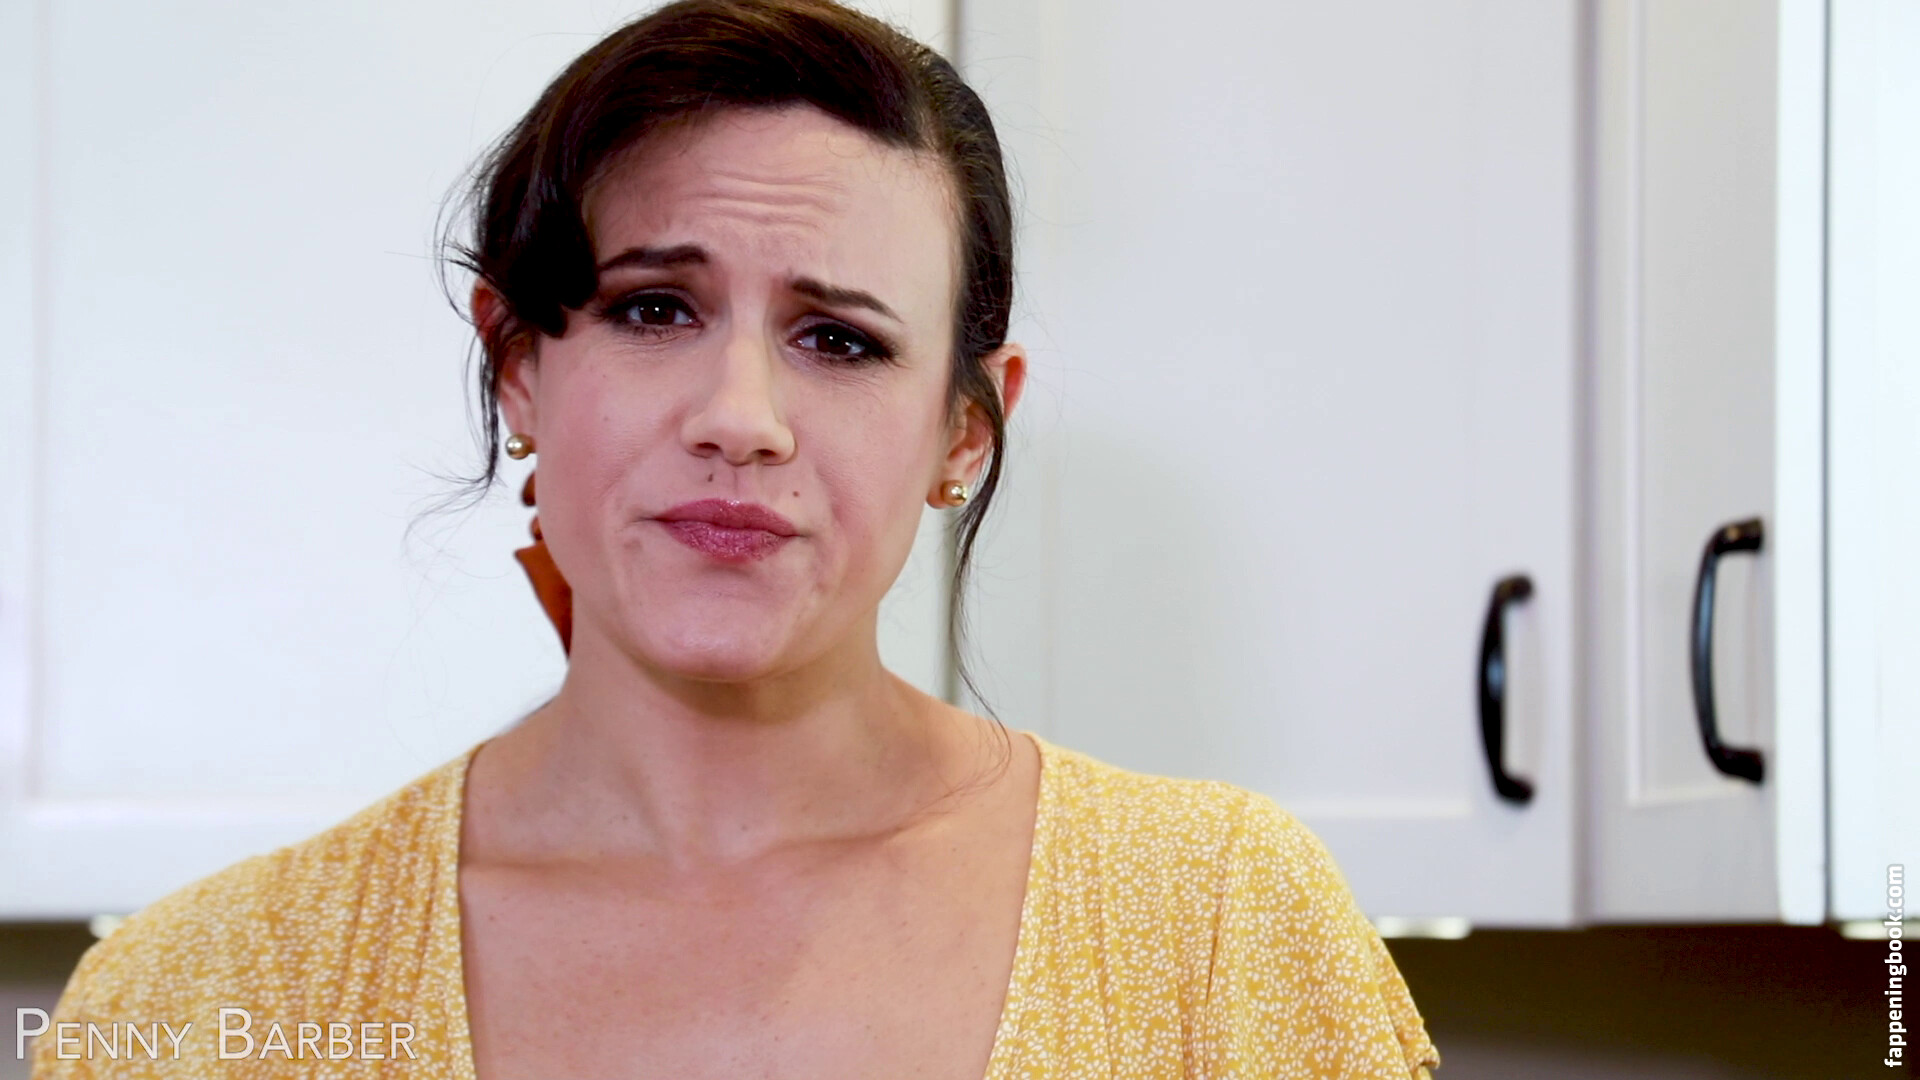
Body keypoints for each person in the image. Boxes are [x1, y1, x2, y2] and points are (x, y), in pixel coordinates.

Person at [34, 1, 1441, 1076]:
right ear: (519, 364)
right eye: (655, 309)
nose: (740, 418)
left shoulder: (1226, 937)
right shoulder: (194, 1002)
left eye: (840, 339)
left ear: (965, 432)